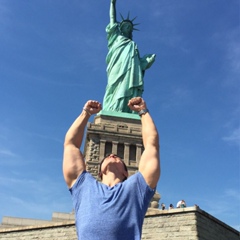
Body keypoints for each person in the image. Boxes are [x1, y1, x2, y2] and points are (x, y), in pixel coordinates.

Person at [63, 97, 160, 240]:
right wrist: (85, 114)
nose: (113, 154)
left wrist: (143, 111)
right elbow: (71, 145)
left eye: (118, 158)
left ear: (126, 173)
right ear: (99, 172)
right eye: (107, 156)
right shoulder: (84, 185)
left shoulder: (136, 188)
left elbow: (152, 145)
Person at [102, 0, 156, 113]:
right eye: (125, 25)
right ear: (120, 28)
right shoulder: (115, 37)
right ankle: (113, 109)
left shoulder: (132, 44)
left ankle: (128, 109)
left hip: (131, 71)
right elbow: (112, 18)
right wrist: (112, 3)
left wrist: (146, 62)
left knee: (128, 86)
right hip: (117, 66)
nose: (128, 27)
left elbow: (138, 65)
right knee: (114, 86)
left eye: (129, 27)